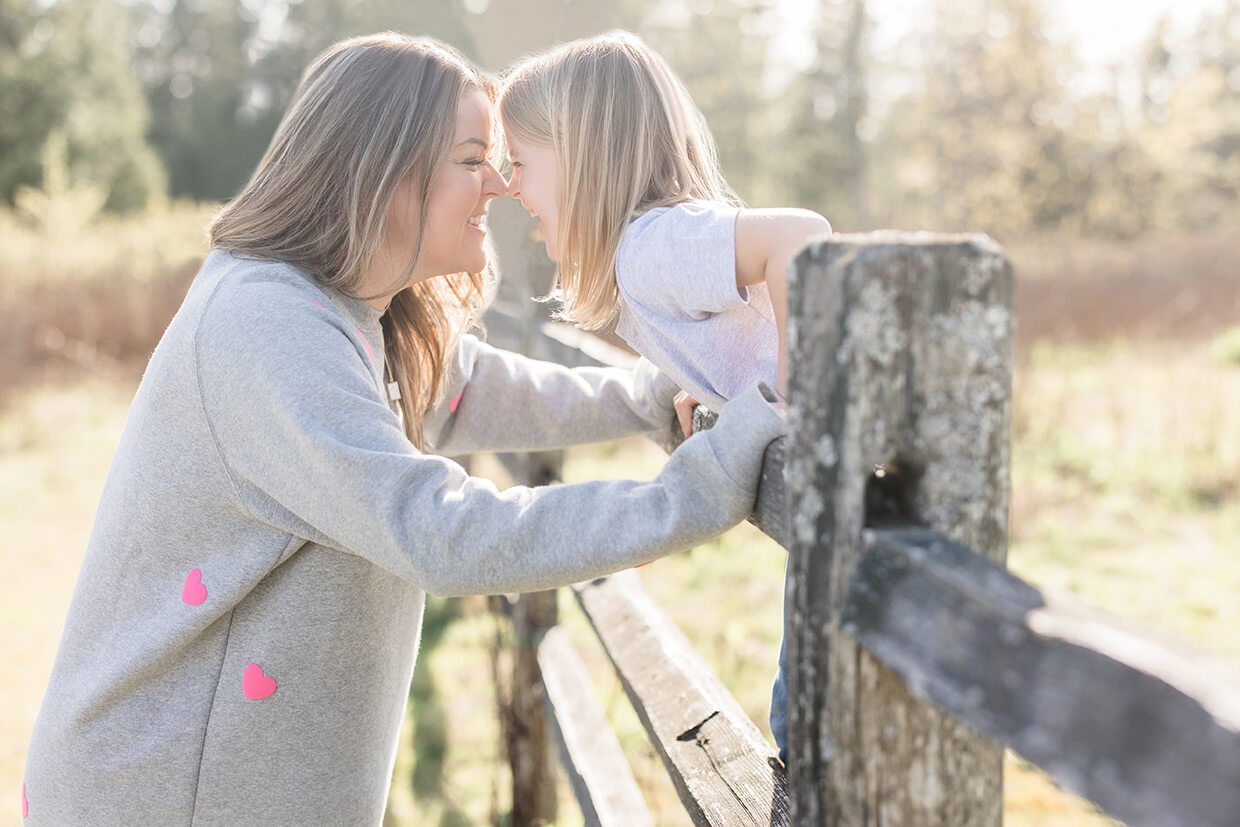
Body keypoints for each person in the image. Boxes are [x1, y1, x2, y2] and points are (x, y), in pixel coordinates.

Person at [21, 32, 784, 825]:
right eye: (469, 158)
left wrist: (644, 397)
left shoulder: (356, 310)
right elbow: (441, 533)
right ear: (380, 172)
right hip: (169, 794)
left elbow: (464, 393)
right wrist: (697, 488)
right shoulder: (266, 324)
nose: (498, 183)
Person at [497, 30, 830, 763]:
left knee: (809, 733)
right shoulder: (648, 255)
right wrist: (704, 380)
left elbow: (803, 239)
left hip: (842, 481)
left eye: (521, 162)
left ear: (581, 157)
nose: (510, 185)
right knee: (809, 721)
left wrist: (784, 393)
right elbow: (745, 319)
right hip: (843, 498)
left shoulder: (648, 247)